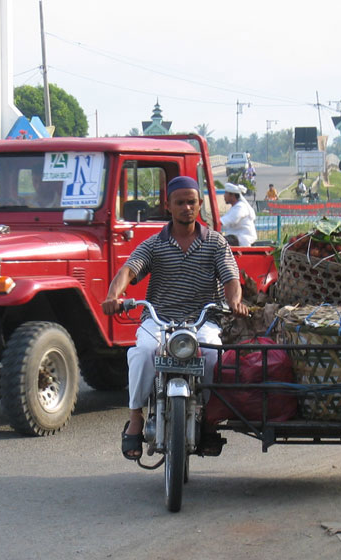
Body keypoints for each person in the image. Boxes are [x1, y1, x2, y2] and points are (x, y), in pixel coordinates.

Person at [101, 176, 248, 460]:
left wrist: (234, 301)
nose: (186, 208)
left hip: (203, 321)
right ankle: (135, 418)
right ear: (168, 206)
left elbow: (231, 277)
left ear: (200, 204)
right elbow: (128, 271)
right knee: (143, 353)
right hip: (159, 320)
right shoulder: (155, 244)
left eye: (191, 202)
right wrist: (113, 297)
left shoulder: (215, 243)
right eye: (179, 203)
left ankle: (208, 420)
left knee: (211, 356)